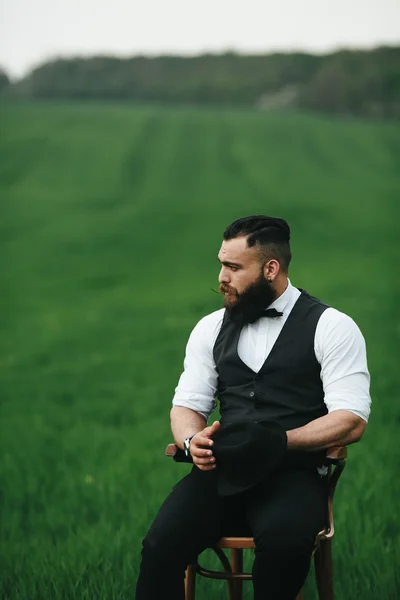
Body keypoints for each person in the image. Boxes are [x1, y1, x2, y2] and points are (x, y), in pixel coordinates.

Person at [135, 216, 371, 600]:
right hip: (222, 475)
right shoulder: (210, 327)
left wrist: (279, 441)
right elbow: (187, 405)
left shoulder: (332, 327)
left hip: (293, 476)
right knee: (160, 545)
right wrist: (192, 440)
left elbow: (351, 419)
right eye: (221, 264)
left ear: (270, 268)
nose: (221, 276)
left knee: (284, 548)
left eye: (232, 267)